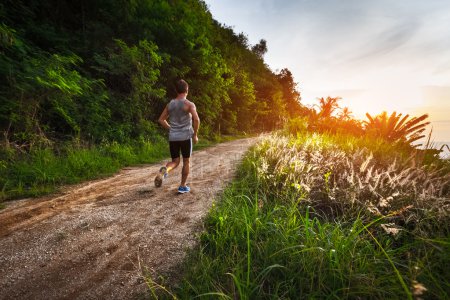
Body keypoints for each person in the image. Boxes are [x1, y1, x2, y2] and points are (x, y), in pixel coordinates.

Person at [155, 79, 200, 193]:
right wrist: (195, 135)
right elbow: (196, 119)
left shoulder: (170, 104)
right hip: (185, 137)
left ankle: (165, 170)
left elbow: (161, 120)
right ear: (187, 90)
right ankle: (182, 186)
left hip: (173, 137)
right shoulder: (189, 104)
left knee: (175, 161)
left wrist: (171, 129)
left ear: (176, 90)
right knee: (186, 161)